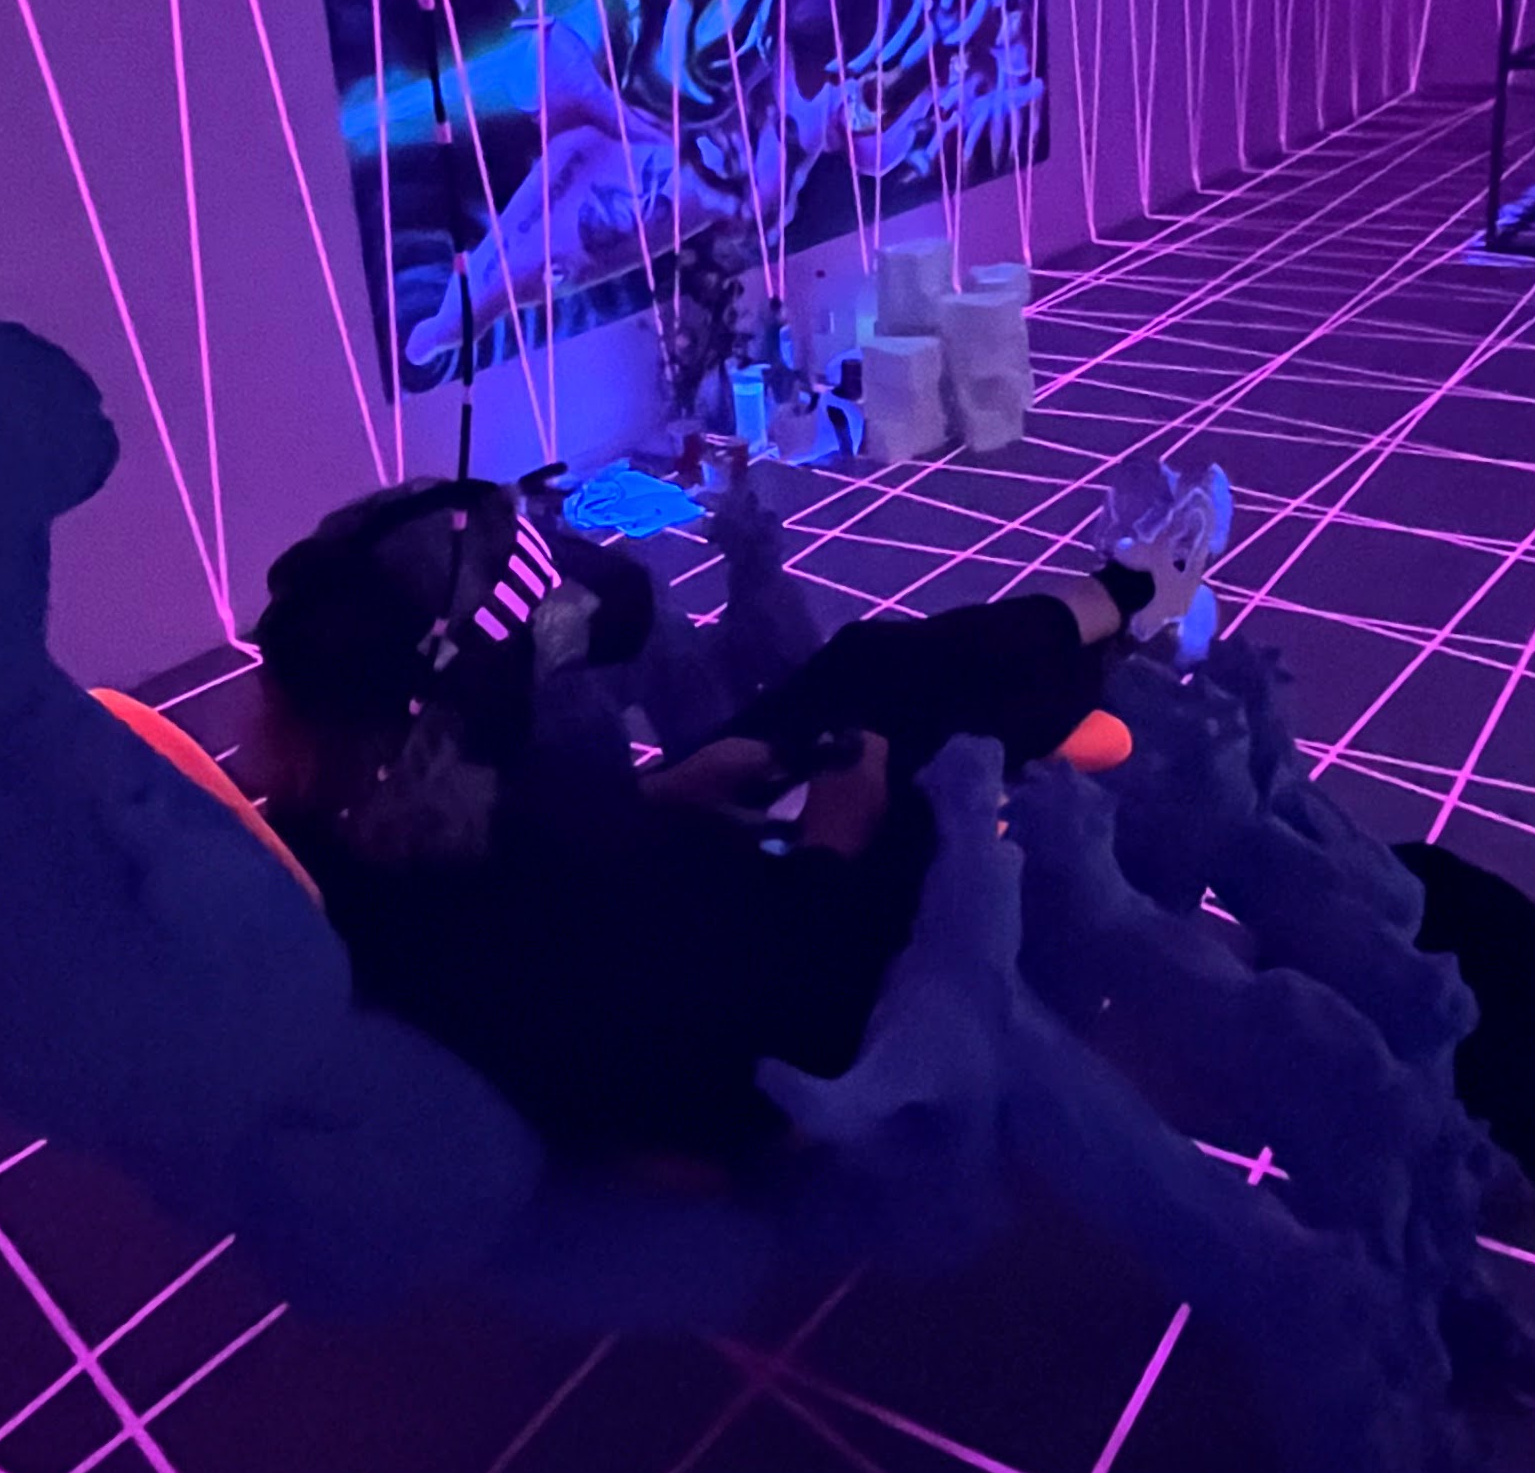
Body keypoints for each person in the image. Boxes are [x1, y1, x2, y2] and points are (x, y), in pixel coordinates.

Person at [229, 473, 1215, 1179]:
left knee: (862, 665)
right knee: (920, 728)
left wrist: (669, 792)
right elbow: (768, 1022)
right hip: (773, 1026)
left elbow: (571, 912)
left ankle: (1118, 609)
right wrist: (837, 838)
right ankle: (1128, 611)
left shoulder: (336, 826)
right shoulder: (546, 865)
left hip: (666, 915)